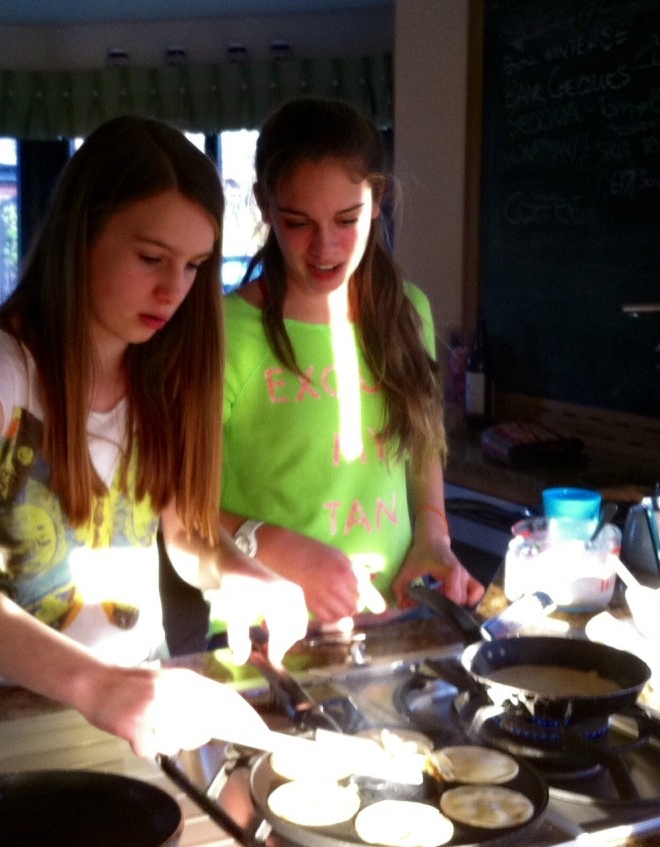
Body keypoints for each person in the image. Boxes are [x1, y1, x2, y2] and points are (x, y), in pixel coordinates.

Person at [0, 115, 308, 760]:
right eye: (151, 259)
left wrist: (240, 572)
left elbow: (185, 538)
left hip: (138, 711)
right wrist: (98, 684)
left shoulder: (164, 372)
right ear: (81, 237)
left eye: (193, 266)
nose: (174, 291)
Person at [215, 97, 484, 633]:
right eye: (297, 222)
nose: (325, 247)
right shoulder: (225, 332)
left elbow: (421, 458)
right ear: (265, 205)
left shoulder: (410, 312)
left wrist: (434, 539)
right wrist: (275, 548)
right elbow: (178, 511)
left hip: (393, 622)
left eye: (347, 219)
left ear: (378, 198)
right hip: (266, 637)